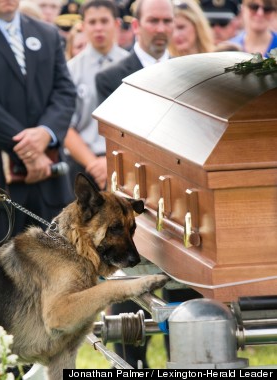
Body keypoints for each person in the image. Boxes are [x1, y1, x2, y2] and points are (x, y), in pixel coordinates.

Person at [95, 0, 174, 368]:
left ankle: (187, 361)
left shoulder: (184, 72)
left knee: (182, 293)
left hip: (176, 205)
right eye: (153, 20)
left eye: (167, 21)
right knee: (131, 292)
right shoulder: (113, 76)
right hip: (132, 201)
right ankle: (131, 365)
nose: (161, 28)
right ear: (137, 25)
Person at [0, 0, 76, 246]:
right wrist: (29, 147)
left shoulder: (47, 33)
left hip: (48, 177)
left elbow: (64, 91)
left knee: (58, 264)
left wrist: (45, 133)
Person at [64, 0, 129, 191]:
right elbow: (66, 127)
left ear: (116, 24)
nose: (98, 28)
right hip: (84, 164)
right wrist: (95, 164)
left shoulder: (131, 66)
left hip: (125, 162)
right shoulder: (71, 70)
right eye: (92, 22)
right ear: (83, 26)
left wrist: (111, 162)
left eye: (104, 21)